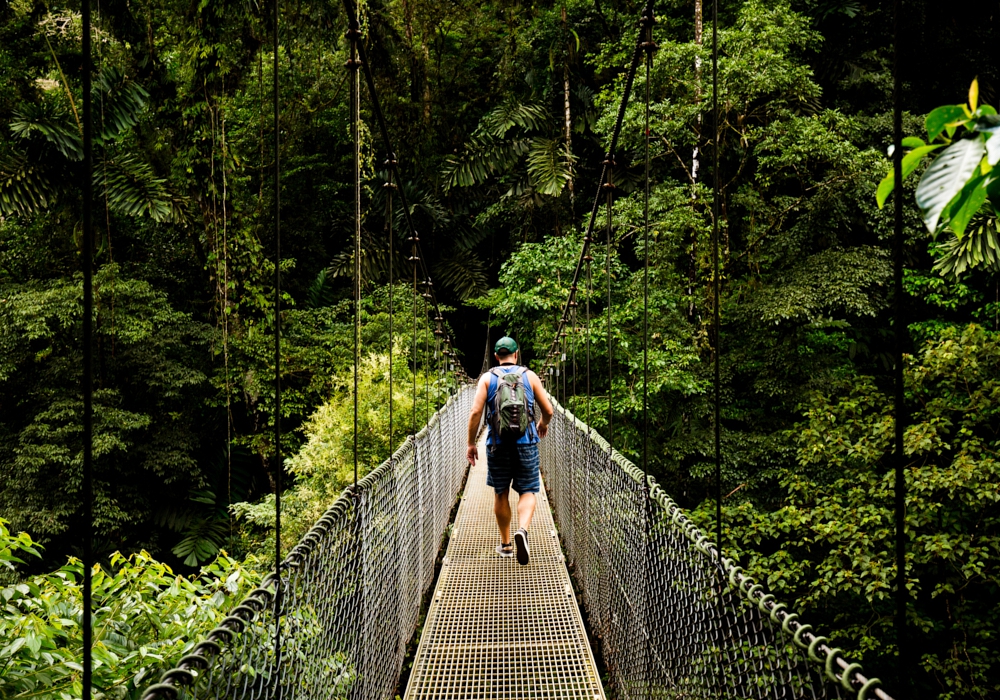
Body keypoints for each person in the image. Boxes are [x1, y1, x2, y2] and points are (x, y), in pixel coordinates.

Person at [466, 336, 554, 565]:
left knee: (500, 492)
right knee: (528, 491)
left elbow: (476, 413)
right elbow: (549, 411)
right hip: (527, 444)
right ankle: (522, 531)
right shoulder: (530, 376)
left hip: (497, 444)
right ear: (516, 354)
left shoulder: (487, 378)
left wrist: (471, 443)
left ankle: (505, 545)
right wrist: (542, 424)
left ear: (496, 357)